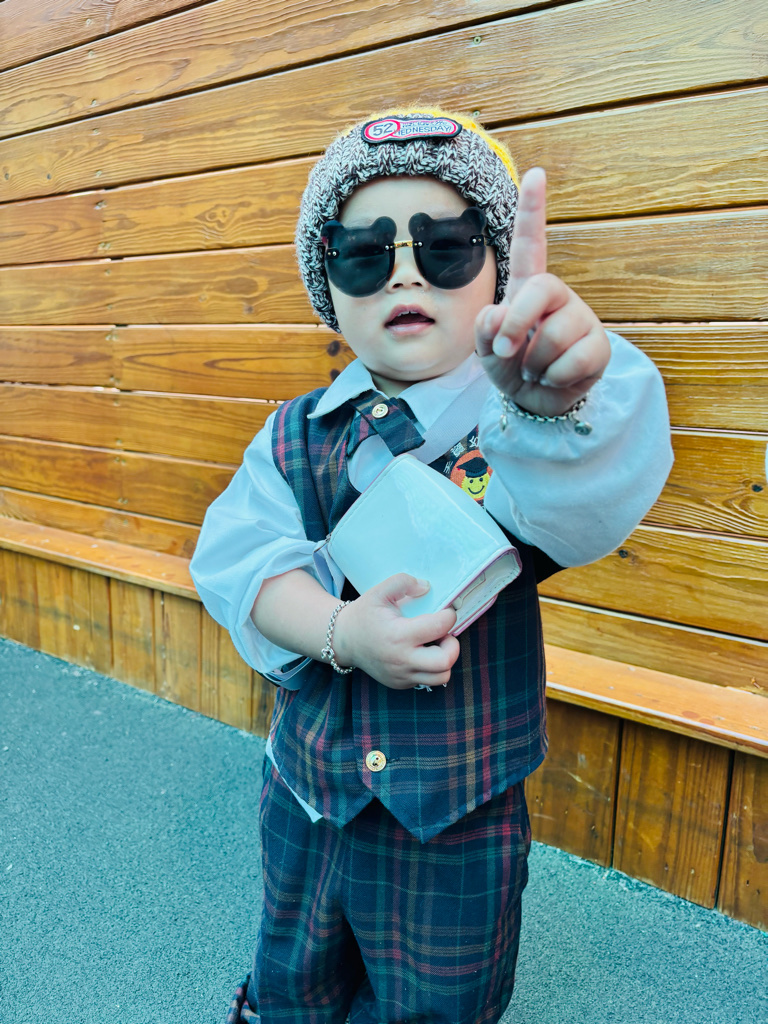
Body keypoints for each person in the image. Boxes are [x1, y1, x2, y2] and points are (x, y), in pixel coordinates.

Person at [191, 106, 673, 1024]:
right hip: (307, 794)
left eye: (445, 246)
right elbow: (243, 563)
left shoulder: (523, 431)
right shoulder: (293, 435)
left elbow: (585, 496)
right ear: (329, 284)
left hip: (458, 821)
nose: (406, 272)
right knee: (293, 971)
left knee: (442, 997)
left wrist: (560, 404)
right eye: (364, 254)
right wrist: (340, 630)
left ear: (497, 272)